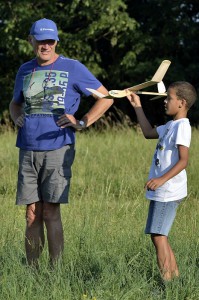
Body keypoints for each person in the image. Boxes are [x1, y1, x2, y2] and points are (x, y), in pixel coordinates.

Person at [9, 18, 113, 267]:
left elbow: (106, 97)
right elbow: (15, 103)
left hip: (58, 148)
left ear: (56, 41)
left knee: (50, 211)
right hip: (27, 147)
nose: (45, 46)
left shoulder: (73, 68)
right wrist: (16, 117)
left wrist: (82, 122)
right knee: (31, 213)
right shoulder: (24, 70)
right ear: (30, 40)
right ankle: (32, 272)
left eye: (50, 41)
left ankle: (57, 271)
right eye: (40, 40)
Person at [127, 81, 197, 281]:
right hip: (162, 190)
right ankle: (175, 279)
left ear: (182, 103)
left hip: (168, 191)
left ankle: (167, 282)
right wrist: (137, 105)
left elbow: (184, 161)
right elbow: (149, 133)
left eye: (169, 98)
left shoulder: (182, 127)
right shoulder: (170, 126)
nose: (164, 101)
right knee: (159, 236)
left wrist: (160, 179)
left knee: (158, 236)